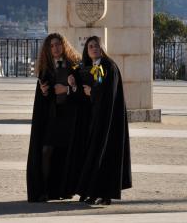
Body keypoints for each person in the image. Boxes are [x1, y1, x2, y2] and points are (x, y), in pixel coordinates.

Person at [26, 33, 83, 202]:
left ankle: (64, 189)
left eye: (58, 44)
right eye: (51, 45)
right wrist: (44, 93)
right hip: (52, 117)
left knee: (65, 153)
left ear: (63, 46)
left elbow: (80, 93)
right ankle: (44, 189)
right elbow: (43, 96)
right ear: (47, 50)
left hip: (69, 116)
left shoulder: (74, 67)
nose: (55, 48)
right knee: (46, 150)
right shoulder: (45, 69)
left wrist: (67, 90)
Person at [76, 35, 132, 205]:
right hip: (96, 117)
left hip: (108, 120)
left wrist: (91, 93)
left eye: (96, 45)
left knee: (104, 154)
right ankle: (94, 193)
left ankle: (100, 194)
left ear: (102, 48)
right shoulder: (92, 66)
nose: (93, 48)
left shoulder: (108, 66)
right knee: (97, 154)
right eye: (90, 46)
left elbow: (106, 91)